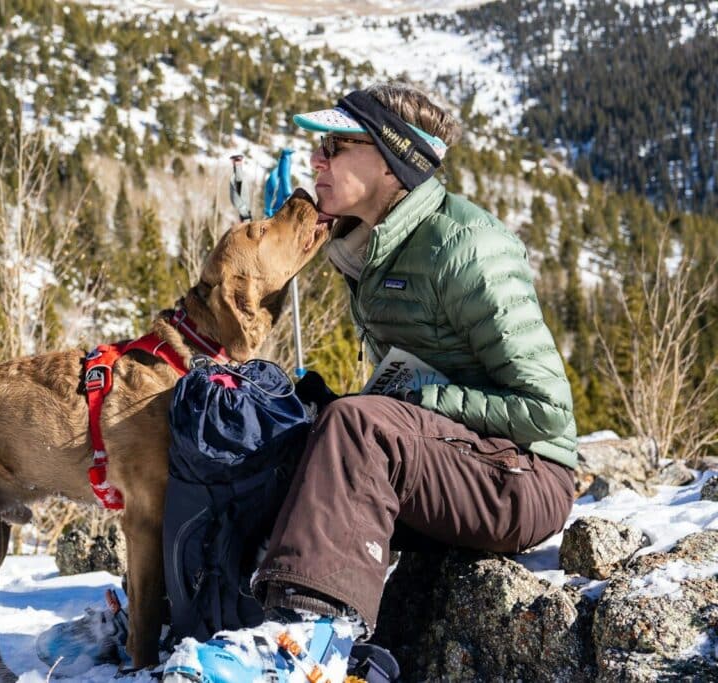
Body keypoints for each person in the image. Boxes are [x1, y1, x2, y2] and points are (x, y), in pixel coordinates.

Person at [163, 82, 577, 682]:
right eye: (319, 147)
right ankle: (198, 620)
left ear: (392, 162)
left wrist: (407, 399)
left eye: (337, 145)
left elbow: (547, 414)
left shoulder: (468, 248)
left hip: (524, 479)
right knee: (271, 424)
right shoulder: (375, 245)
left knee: (356, 426)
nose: (317, 160)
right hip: (452, 462)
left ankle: (309, 647)